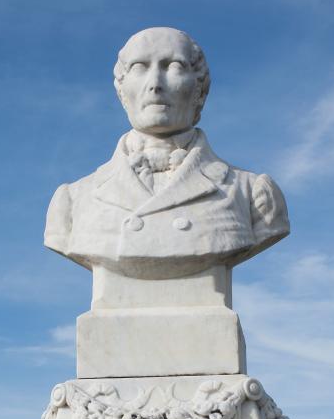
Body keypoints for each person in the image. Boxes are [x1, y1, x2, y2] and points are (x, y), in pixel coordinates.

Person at [44, 27, 289, 280]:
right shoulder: (74, 200)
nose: (155, 85)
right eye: (140, 67)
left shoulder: (251, 194)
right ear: (121, 89)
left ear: (200, 89)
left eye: (173, 66)